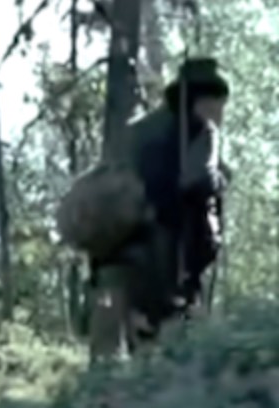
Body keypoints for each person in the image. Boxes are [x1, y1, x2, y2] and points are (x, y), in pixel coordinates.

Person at [86, 57, 230, 359]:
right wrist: (221, 179)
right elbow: (199, 181)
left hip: (118, 252)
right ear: (206, 99)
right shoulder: (203, 132)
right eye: (218, 103)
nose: (220, 112)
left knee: (124, 342)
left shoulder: (135, 131)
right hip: (166, 253)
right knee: (169, 340)